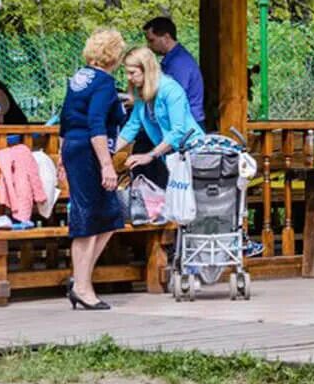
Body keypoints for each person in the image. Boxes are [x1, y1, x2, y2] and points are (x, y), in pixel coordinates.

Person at [61, 28, 128, 309]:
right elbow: (96, 125)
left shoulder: (78, 79)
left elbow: (65, 120)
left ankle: (80, 278)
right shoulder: (103, 83)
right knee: (87, 218)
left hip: (72, 149)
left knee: (110, 215)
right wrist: (106, 166)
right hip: (90, 152)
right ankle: (82, 287)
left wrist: (59, 159)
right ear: (114, 55)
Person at [118, 45, 203, 192]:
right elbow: (132, 126)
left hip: (191, 154)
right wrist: (108, 153)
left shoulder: (171, 90)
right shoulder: (142, 93)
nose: (128, 78)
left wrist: (150, 155)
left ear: (147, 70)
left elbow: (177, 131)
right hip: (170, 156)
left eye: (132, 73)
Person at [142, 16, 206, 125]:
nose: (149, 46)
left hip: (187, 125)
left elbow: (173, 98)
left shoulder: (179, 63)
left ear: (166, 38)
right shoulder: (173, 59)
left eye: (152, 40)